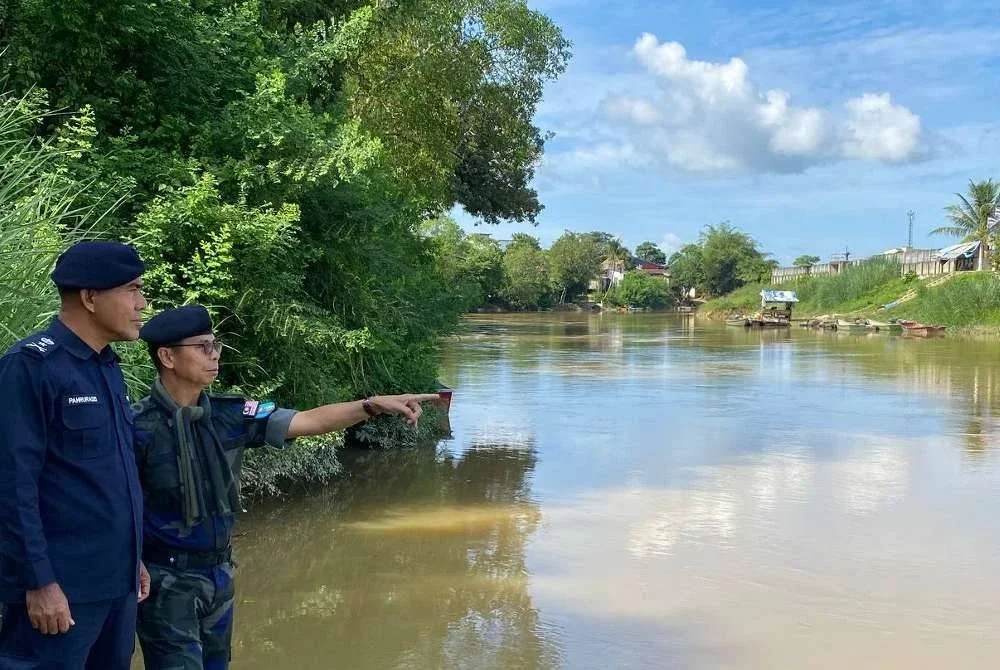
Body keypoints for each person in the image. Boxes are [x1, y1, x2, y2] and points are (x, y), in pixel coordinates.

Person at [133, 304, 440, 670]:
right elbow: (117, 505)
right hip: (166, 580)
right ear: (167, 356)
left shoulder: (230, 414)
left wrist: (370, 406)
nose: (214, 355)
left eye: (216, 345)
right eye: (202, 346)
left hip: (218, 575)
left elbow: (306, 420)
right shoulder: (136, 427)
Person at [0, 241, 152, 670]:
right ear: (89, 298)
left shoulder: (107, 367)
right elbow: (12, 486)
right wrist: (39, 582)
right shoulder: (31, 367)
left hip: (115, 587)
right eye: (133, 289)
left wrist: (132, 557)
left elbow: (109, 478)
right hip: (60, 593)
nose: (143, 303)